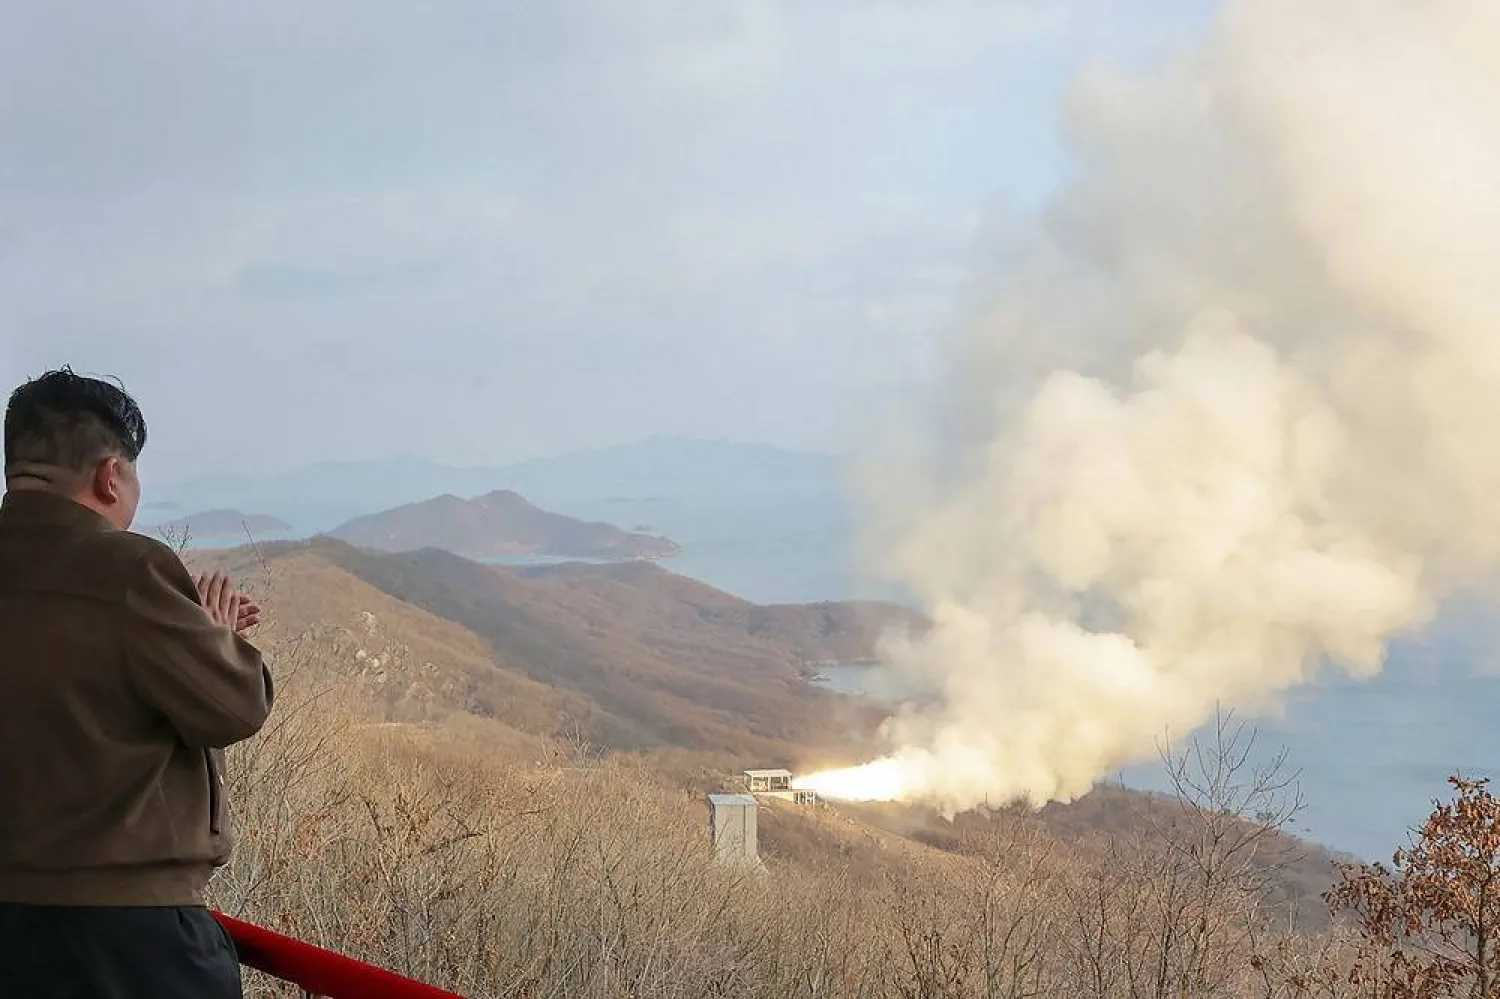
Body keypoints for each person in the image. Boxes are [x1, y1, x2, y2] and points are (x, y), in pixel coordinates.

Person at [0, 368, 274, 998]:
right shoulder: (127, 570)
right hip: (126, 939)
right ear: (110, 475)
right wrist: (218, 636)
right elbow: (233, 707)